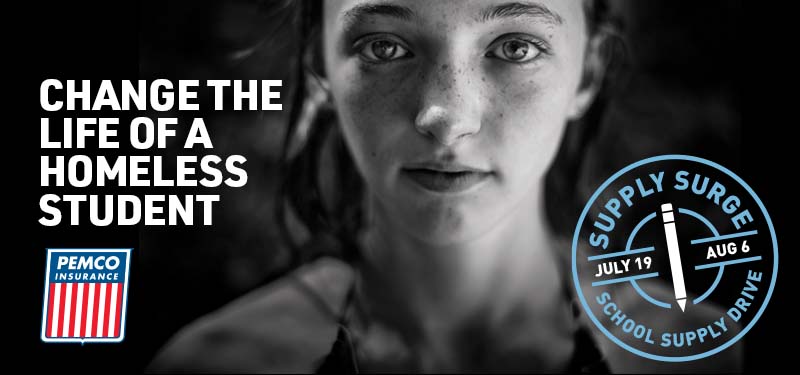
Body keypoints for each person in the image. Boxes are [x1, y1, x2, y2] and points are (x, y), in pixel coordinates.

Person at [148, 0, 741, 372]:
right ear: (319, 65)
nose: (447, 116)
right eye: (383, 46)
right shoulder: (219, 362)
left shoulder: (702, 356)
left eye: (516, 47)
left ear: (588, 71)